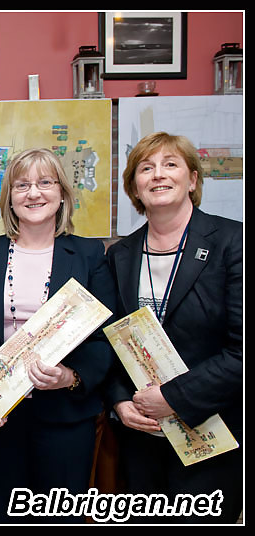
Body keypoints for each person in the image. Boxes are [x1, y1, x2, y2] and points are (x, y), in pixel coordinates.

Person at [0, 148, 116, 523]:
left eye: (45, 182)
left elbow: (105, 338)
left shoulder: (88, 255)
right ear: (9, 196)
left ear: (61, 194)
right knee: (3, 516)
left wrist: (72, 377)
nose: (34, 193)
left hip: (65, 418)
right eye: (22, 185)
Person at [105, 132, 242, 523]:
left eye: (170, 164)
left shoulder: (233, 242)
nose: (157, 175)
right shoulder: (120, 255)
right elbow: (111, 342)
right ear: (134, 185)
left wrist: (174, 397)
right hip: (141, 435)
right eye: (146, 168)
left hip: (212, 432)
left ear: (193, 180)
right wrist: (120, 402)